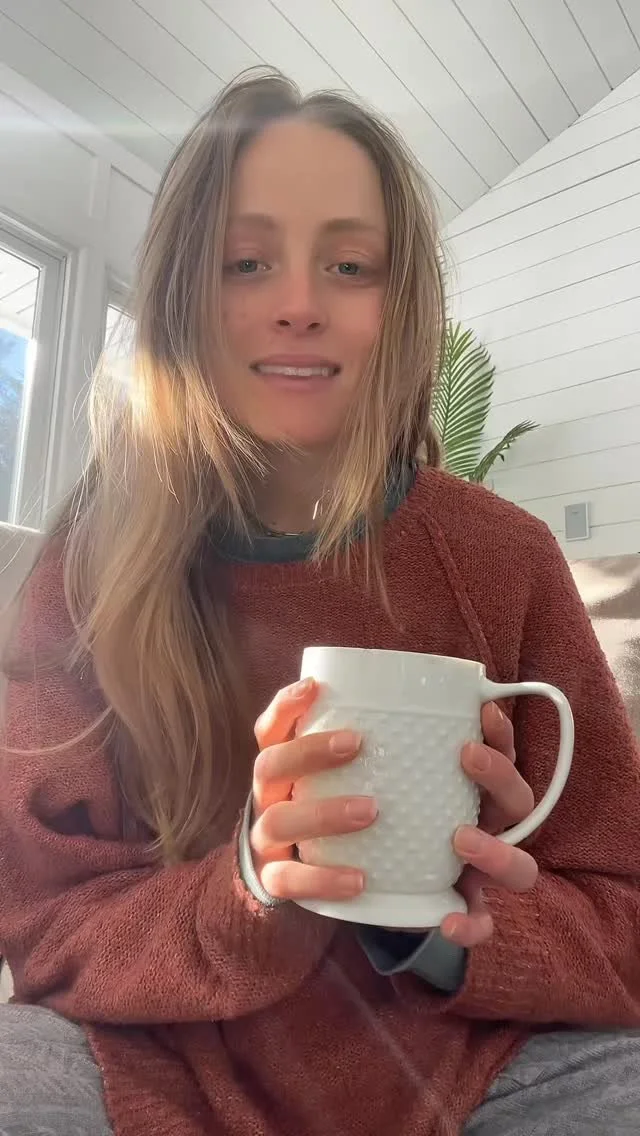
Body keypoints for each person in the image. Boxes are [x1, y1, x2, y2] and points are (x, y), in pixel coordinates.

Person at [1, 69, 640, 1136]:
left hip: (473, 1067)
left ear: (402, 306)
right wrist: (252, 883)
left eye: (349, 265)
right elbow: (46, 927)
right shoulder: (92, 562)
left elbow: (623, 920)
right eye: (246, 262)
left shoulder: (505, 558)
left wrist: (448, 918)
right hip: (148, 1063)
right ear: (182, 299)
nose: (299, 302)